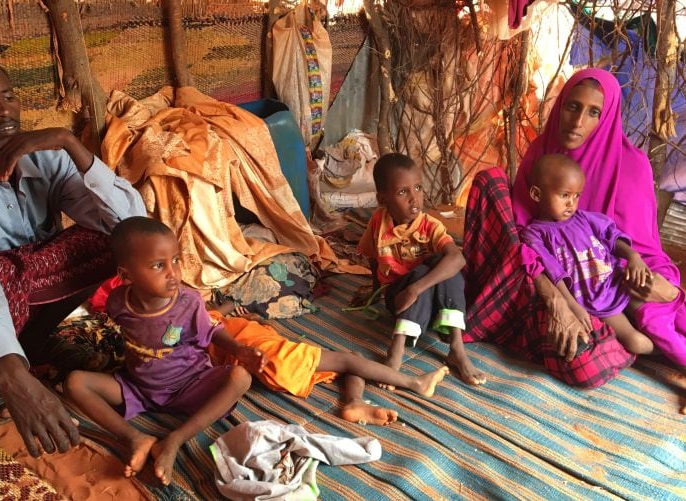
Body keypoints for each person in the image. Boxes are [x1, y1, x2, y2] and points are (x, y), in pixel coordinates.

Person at [0, 51, 146, 455]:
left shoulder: (44, 153)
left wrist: (72, 145)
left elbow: (131, 227)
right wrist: (12, 378)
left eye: (8, 95)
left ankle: (32, 343)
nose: (4, 111)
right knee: (0, 272)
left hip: (20, 289)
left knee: (113, 244)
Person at [464, 68, 684, 399]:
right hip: (557, 277)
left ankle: (619, 339)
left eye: (593, 112)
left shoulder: (631, 165)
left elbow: (639, 246)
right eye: (572, 106)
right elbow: (524, 237)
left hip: (612, 275)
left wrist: (635, 272)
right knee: (573, 354)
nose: (578, 121)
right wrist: (558, 300)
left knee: (653, 317)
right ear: (560, 105)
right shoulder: (541, 152)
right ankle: (609, 342)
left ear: (606, 117)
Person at [63, 217, 259, 485]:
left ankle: (175, 439)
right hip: (139, 388)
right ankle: (136, 438)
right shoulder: (118, 302)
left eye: (176, 260)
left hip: (190, 384)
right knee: (75, 382)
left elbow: (211, 330)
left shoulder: (188, 302)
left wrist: (239, 348)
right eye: (158, 265)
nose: (173, 273)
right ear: (126, 276)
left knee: (241, 378)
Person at [356, 153, 486, 386]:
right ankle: (397, 350)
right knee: (423, 270)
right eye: (402, 192)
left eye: (418, 188)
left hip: (429, 300)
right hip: (398, 300)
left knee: (444, 264)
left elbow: (458, 259)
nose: (414, 199)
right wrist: (373, 293)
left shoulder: (430, 226)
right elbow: (373, 258)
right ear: (382, 199)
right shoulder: (378, 222)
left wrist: (416, 289)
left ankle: (455, 347)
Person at [208, 301, 451, 426]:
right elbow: (224, 305)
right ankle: (415, 383)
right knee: (348, 359)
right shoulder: (206, 317)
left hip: (271, 361)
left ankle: (354, 403)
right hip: (274, 355)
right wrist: (228, 306)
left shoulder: (208, 323)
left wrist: (239, 315)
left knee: (352, 358)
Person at [520, 153, 654, 355]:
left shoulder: (585, 219)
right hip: (596, 302)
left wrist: (633, 256)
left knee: (657, 320)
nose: (571, 203)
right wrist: (572, 305)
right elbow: (553, 273)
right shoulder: (535, 235)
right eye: (564, 195)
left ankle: (673, 348)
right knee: (635, 341)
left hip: (619, 283)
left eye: (576, 196)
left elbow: (612, 236)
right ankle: (661, 355)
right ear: (537, 195)